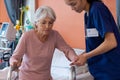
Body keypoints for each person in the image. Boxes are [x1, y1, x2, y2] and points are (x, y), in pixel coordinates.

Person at [9, 6, 78, 80]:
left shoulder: (55, 35)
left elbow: (67, 50)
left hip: (46, 77)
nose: (47, 26)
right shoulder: (27, 36)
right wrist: (14, 62)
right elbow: (15, 57)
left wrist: (74, 58)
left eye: (50, 23)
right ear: (36, 23)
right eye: (43, 23)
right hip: (27, 77)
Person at [64, 0, 120, 80]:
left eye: (74, 4)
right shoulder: (87, 14)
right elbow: (95, 44)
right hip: (100, 71)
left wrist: (86, 56)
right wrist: (82, 56)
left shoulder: (97, 9)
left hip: (110, 70)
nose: (72, 8)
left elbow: (111, 42)